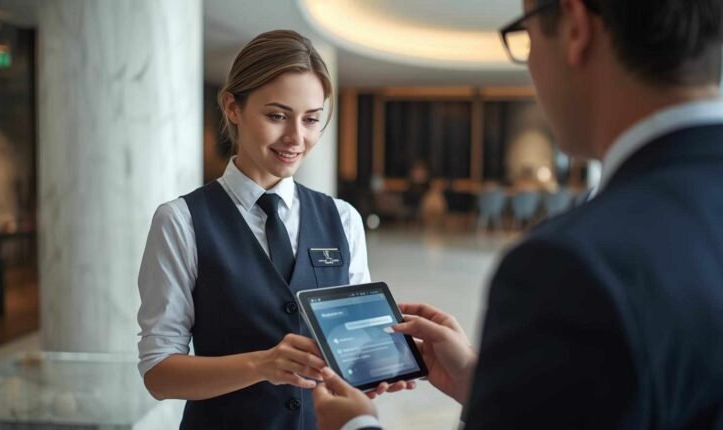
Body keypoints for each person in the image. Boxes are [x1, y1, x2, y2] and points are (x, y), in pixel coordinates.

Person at [313, 0, 723, 428]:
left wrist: (355, 426)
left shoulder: (568, 264)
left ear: (575, 28)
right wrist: (483, 385)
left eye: (526, 37)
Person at [136, 30, 407, 429]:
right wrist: (261, 365)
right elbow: (159, 374)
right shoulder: (181, 221)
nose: (296, 138)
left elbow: (352, 350)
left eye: (311, 119)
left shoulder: (343, 218)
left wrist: (379, 361)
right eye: (277, 116)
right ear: (232, 107)